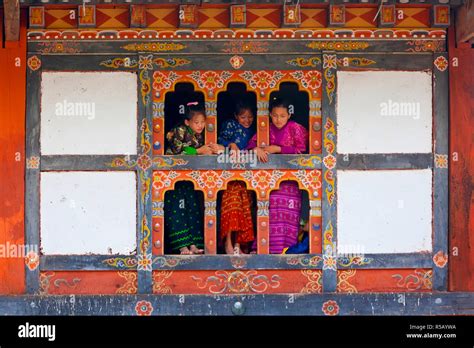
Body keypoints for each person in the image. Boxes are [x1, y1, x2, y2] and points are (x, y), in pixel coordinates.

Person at [247, 97, 308, 254]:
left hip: (290, 182)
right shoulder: (264, 129)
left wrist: (278, 149)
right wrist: (256, 149)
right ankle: (264, 248)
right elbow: (249, 145)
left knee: (289, 215)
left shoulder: (296, 128)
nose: (278, 119)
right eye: (275, 115)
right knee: (270, 214)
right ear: (269, 115)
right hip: (270, 182)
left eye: (282, 116)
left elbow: (301, 151)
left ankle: (286, 250)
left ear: (289, 115)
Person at [164, 102, 212, 254]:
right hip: (174, 177)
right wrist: (198, 151)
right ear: (187, 122)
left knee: (193, 210)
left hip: (191, 179)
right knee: (178, 210)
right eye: (196, 122)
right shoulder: (179, 131)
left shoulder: (200, 135)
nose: (200, 126)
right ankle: (182, 246)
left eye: (203, 122)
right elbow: (178, 150)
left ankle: (194, 245)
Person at [216, 101, 256, 254]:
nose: (247, 120)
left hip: (247, 177)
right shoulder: (230, 125)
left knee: (244, 209)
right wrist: (231, 145)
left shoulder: (254, 130)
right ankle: (228, 242)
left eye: (250, 117)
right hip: (229, 178)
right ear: (236, 117)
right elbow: (220, 141)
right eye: (243, 117)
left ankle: (239, 244)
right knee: (232, 208)